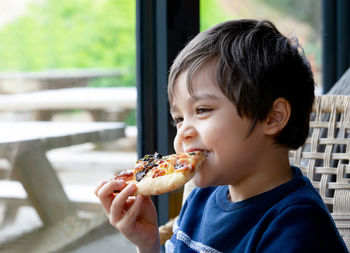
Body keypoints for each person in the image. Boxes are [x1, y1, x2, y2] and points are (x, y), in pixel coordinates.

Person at [95, 19, 348, 252]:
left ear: (273, 117)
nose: (183, 133)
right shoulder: (200, 200)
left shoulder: (296, 226)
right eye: (179, 119)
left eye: (202, 110)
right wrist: (148, 243)